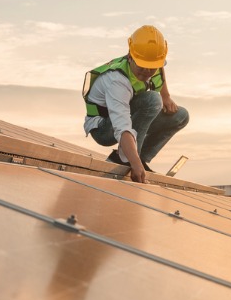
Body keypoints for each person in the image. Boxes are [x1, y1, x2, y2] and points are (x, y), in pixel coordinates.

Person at [81, 25, 189, 183]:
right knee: (152, 100)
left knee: (181, 116)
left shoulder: (152, 61)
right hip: (104, 127)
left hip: (129, 117)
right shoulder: (116, 80)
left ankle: (142, 159)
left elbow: (160, 68)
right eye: (142, 66)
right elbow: (122, 126)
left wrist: (166, 96)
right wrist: (133, 163)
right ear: (130, 56)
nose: (146, 71)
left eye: (151, 68)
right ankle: (125, 159)